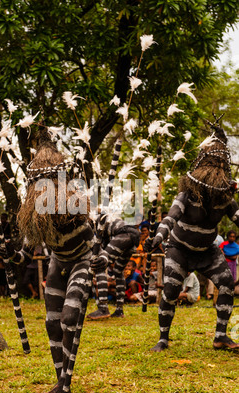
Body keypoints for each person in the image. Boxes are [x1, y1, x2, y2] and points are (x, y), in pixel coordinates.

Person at [0, 129, 94, 393]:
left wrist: (100, 259)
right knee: (52, 323)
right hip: (57, 264)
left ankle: (64, 385)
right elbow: (22, 258)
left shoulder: (74, 208)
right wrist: (9, 253)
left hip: (81, 261)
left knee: (68, 317)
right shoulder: (35, 218)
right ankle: (62, 381)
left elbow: (94, 242)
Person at [146, 119, 239, 352]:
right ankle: (163, 338)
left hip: (207, 251)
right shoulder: (188, 193)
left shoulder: (226, 198)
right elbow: (170, 219)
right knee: (170, 290)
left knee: (226, 283)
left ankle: (220, 337)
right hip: (179, 249)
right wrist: (158, 238)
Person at [87, 213, 140, 319]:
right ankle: (119, 310)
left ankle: (103, 308)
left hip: (124, 235)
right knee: (118, 271)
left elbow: (98, 247)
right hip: (133, 237)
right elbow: (103, 245)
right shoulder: (104, 219)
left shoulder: (94, 221)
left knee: (99, 265)